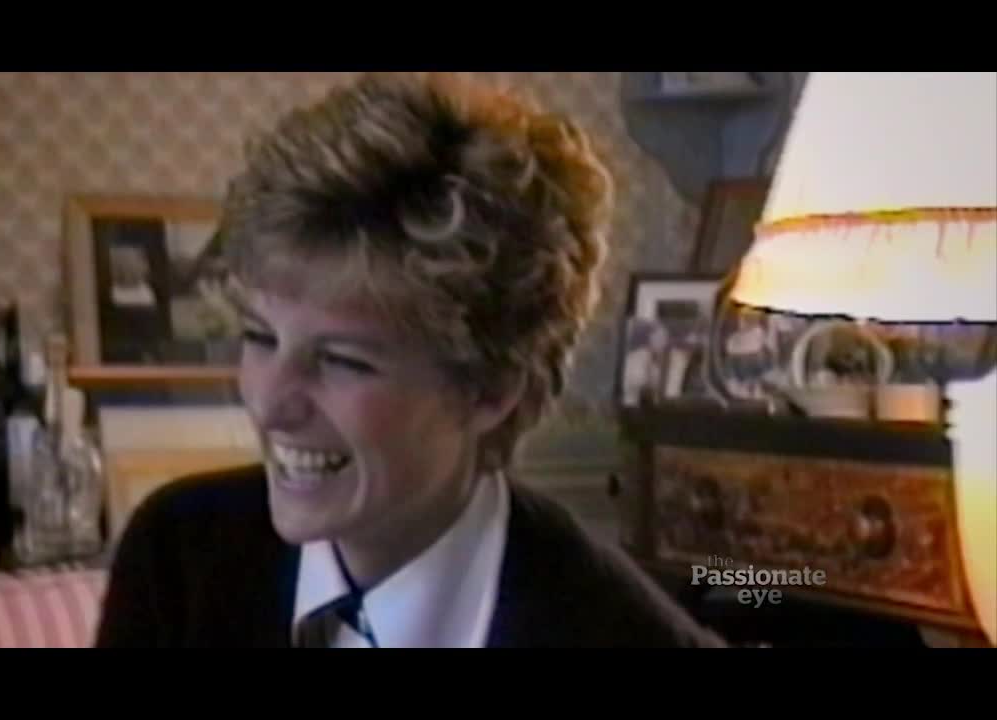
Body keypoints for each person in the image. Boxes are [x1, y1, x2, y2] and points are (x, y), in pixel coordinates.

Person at [95, 72, 726, 648]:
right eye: (260, 338)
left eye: (341, 360)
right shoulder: (175, 559)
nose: (268, 403)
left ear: (490, 390)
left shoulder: (624, 635)